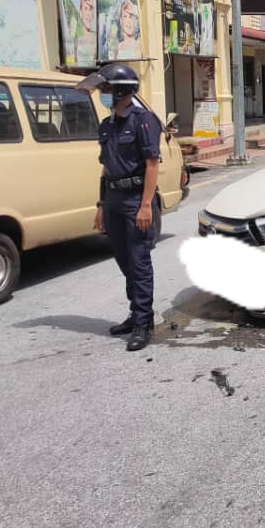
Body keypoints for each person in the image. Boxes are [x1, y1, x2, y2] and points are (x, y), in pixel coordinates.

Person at [76, 64, 162, 351]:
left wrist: (146, 205)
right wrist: (101, 205)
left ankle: (143, 322)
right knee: (124, 260)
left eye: (107, 88)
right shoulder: (107, 125)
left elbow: (152, 164)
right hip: (113, 200)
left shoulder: (143, 120)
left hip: (136, 199)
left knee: (138, 262)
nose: (104, 93)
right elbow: (105, 169)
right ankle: (134, 313)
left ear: (123, 89)